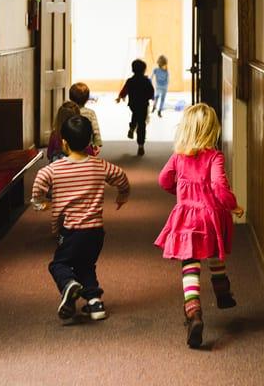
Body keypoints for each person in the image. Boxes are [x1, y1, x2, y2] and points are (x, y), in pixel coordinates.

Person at [154, 103, 245, 348]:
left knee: (190, 264)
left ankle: (193, 312)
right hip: (210, 216)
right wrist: (233, 205)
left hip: (186, 216)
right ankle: (223, 292)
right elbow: (219, 187)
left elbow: (163, 180)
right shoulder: (214, 156)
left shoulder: (178, 157)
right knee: (213, 251)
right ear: (212, 130)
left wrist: (180, 193)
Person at [32, 115, 130, 322]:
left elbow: (39, 182)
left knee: (58, 265)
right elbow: (121, 176)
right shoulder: (99, 165)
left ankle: (68, 285)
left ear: (64, 143)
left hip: (70, 231)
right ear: (89, 142)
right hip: (95, 231)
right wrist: (123, 194)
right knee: (86, 266)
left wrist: (40, 202)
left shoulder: (54, 169)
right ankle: (95, 303)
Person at [115, 59, 154, 156]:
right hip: (143, 104)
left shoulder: (130, 81)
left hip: (133, 104)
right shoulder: (146, 81)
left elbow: (124, 90)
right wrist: (151, 98)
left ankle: (132, 127)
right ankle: (141, 145)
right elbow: (151, 92)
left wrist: (120, 97)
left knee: (135, 115)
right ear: (144, 70)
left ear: (133, 70)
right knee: (142, 123)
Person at [69, 82, 103, 149]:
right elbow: (95, 129)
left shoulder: (67, 111)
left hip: (69, 145)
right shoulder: (90, 113)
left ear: (70, 98)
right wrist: (97, 143)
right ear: (87, 99)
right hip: (86, 146)